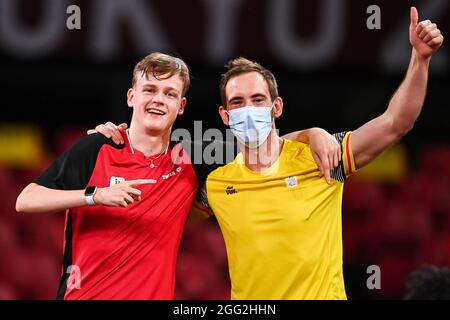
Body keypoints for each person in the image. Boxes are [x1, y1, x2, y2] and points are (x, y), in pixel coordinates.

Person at [97, 7, 443, 300]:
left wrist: (420, 60)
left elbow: (397, 122)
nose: (249, 109)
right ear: (225, 116)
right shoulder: (218, 184)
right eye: (237, 102)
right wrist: (110, 143)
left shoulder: (324, 158)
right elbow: (156, 222)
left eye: (258, 100)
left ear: (276, 106)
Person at [15, 53, 339, 299]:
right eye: (150, 90)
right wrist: (93, 195)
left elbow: (262, 144)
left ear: (181, 106)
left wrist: (312, 133)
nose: (158, 99)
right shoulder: (98, 146)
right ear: (132, 97)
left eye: (169, 93)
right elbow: (25, 199)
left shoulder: (195, 158)